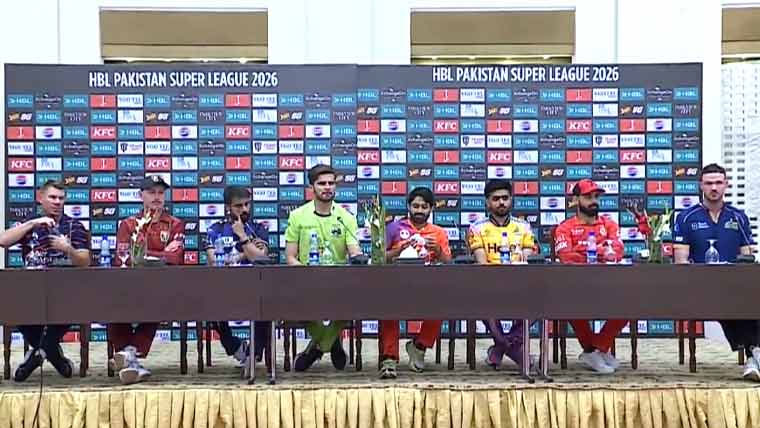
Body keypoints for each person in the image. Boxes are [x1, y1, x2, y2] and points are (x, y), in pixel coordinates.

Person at [672, 163, 758, 380]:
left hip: (734, 286)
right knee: (732, 302)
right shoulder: (686, 217)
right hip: (699, 288)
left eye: (718, 183)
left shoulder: (738, 217)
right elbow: (681, 262)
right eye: (709, 183)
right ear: (701, 185)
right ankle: (754, 353)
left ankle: (753, 356)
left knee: (747, 299)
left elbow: (748, 259)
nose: (714, 188)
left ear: (726, 185)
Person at [0, 180, 90, 382]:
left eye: (61, 198)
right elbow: (3, 240)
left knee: (71, 304)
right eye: (52, 197)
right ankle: (53, 354)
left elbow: (85, 261)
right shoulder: (29, 224)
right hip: (31, 290)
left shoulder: (74, 226)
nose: (57, 202)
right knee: (13, 305)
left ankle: (37, 354)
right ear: (40, 198)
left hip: (64, 291)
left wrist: (68, 249)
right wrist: (33, 223)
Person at [284, 164, 362, 372]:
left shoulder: (346, 218)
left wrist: (359, 257)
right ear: (312, 187)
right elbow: (290, 257)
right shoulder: (298, 216)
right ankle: (331, 341)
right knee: (296, 303)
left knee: (354, 301)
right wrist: (307, 274)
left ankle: (319, 346)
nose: (327, 187)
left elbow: (354, 251)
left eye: (331, 183)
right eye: (322, 183)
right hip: (306, 282)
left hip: (338, 283)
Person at [110, 175, 184, 384]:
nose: (157, 197)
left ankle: (129, 354)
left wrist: (143, 255)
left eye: (160, 193)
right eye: (151, 192)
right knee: (112, 302)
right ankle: (132, 360)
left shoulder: (175, 224)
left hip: (162, 286)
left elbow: (175, 258)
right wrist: (159, 255)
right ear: (140, 195)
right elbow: (122, 258)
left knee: (157, 301)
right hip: (130, 286)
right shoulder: (128, 224)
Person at [379, 187, 452, 378]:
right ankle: (389, 359)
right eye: (415, 206)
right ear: (409, 206)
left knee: (442, 305)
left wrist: (438, 251)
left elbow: (448, 263)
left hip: (428, 287)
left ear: (431, 209)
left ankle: (419, 347)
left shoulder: (438, 232)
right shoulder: (394, 228)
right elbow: (380, 258)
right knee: (388, 307)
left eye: (424, 207)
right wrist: (398, 250)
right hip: (396, 286)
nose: (419, 210)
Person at [554, 178, 625, 374]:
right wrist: (596, 251)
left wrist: (582, 251)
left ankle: (596, 349)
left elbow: (618, 252)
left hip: (608, 285)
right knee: (570, 303)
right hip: (576, 286)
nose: (594, 201)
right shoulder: (565, 228)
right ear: (576, 200)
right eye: (588, 197)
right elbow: (566, 257)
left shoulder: (609, 224)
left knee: (632, 302)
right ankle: (595, 351)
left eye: (596, 197)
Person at [467, 179, 536, 370]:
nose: (501, 202)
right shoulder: (477, 228)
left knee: (541, 302)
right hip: (489, 285)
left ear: (511, 199)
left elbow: (527, 257)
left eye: (505, 198)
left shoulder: (523, 227)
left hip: (520, 284)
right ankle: (512, 348)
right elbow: (482, 262)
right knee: (482, 300)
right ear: (487, 202)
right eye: (496, 199)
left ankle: (501, 347)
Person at [204, 185, 271, 368]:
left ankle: (254, 354)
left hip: (254, 288)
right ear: (228, 207)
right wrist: (245, 254)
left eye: (247, 204)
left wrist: (242, 235)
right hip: (223, 289)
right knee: (209, 304)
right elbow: (214, 260)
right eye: (238, 206)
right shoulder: (215, 229)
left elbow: (260, 258)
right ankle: (235, 348)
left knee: (265, 303)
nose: (244, 209)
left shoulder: (258, 228)